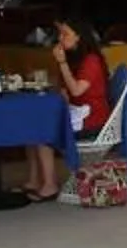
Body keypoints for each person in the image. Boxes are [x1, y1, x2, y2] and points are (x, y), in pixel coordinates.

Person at [27, 12, 113, 203]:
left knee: (42, 134)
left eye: (65, 34)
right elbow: (66, 89)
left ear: (79, 37)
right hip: (78, 115)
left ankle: (49, 186)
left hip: (92, 121)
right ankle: (34, 181)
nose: (60, 38)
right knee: (32, 129)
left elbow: (75, 90)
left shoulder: (91, 60)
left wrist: (62, 63)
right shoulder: (76, 58)